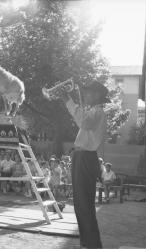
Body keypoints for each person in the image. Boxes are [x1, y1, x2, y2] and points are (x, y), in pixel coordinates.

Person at [62, 80, 110, 248]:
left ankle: (92, 244)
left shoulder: (97, 112)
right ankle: (87, 243)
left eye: (89, 92)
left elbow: (82, 121)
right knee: (80, 204)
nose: (86, 95)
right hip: (82, 157)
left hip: (85, 157)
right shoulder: (94, 111)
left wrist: (68, 100)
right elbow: (83, 120)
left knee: (84, 204)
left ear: (97, 95)